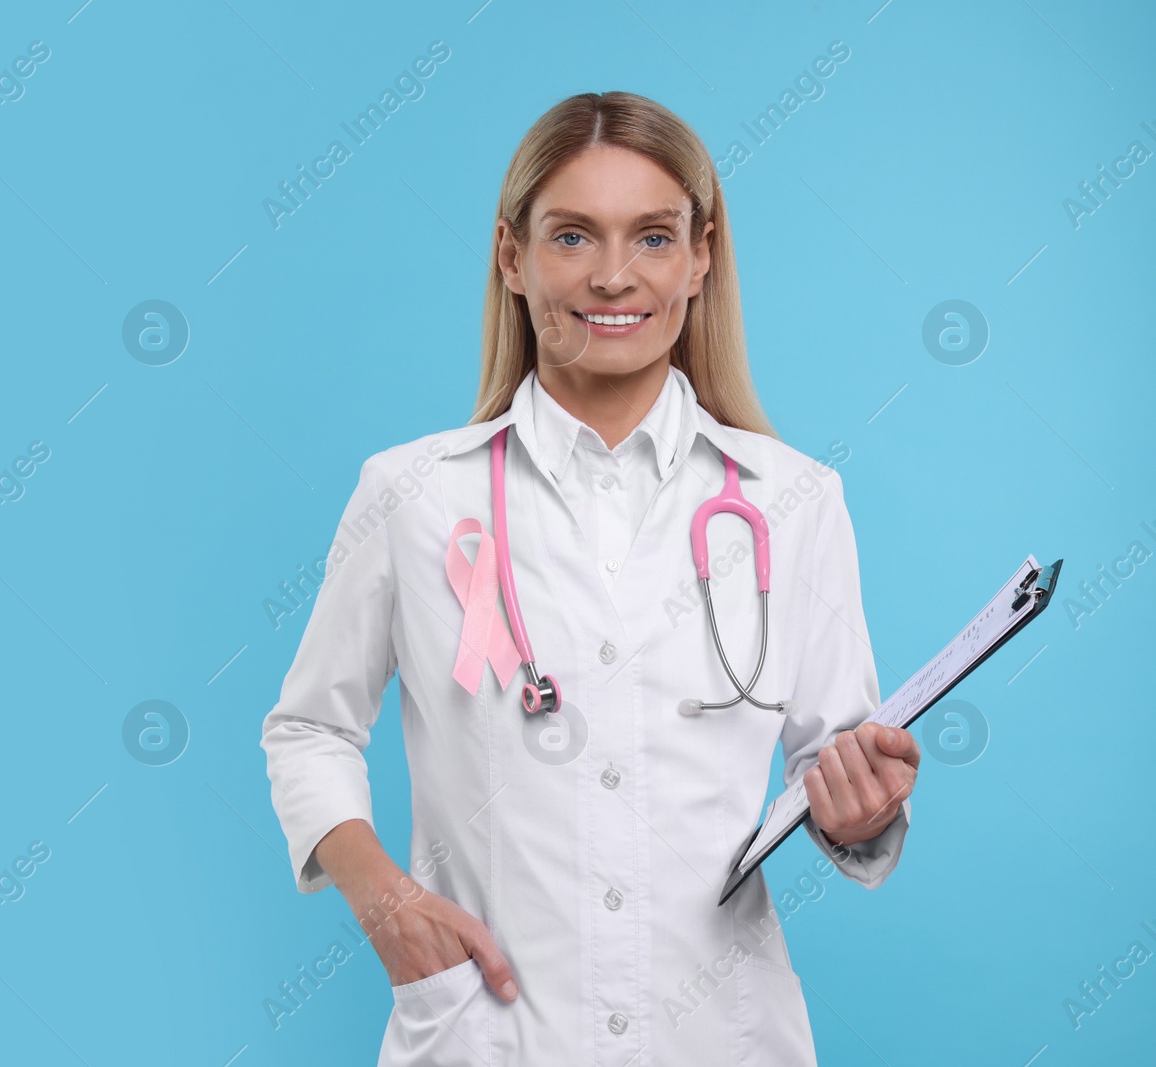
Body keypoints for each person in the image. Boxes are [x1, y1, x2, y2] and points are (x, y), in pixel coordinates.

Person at [259, 90, 919, 1066]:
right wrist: (382, 895)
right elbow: (309, 726)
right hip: (492, 1033)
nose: (614, 277)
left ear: (700, 257)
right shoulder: (410, 495)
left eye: (652, 238)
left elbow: (833, 764)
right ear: (512, 256)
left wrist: (864, 811)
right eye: (572, 236)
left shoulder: (793, 498)